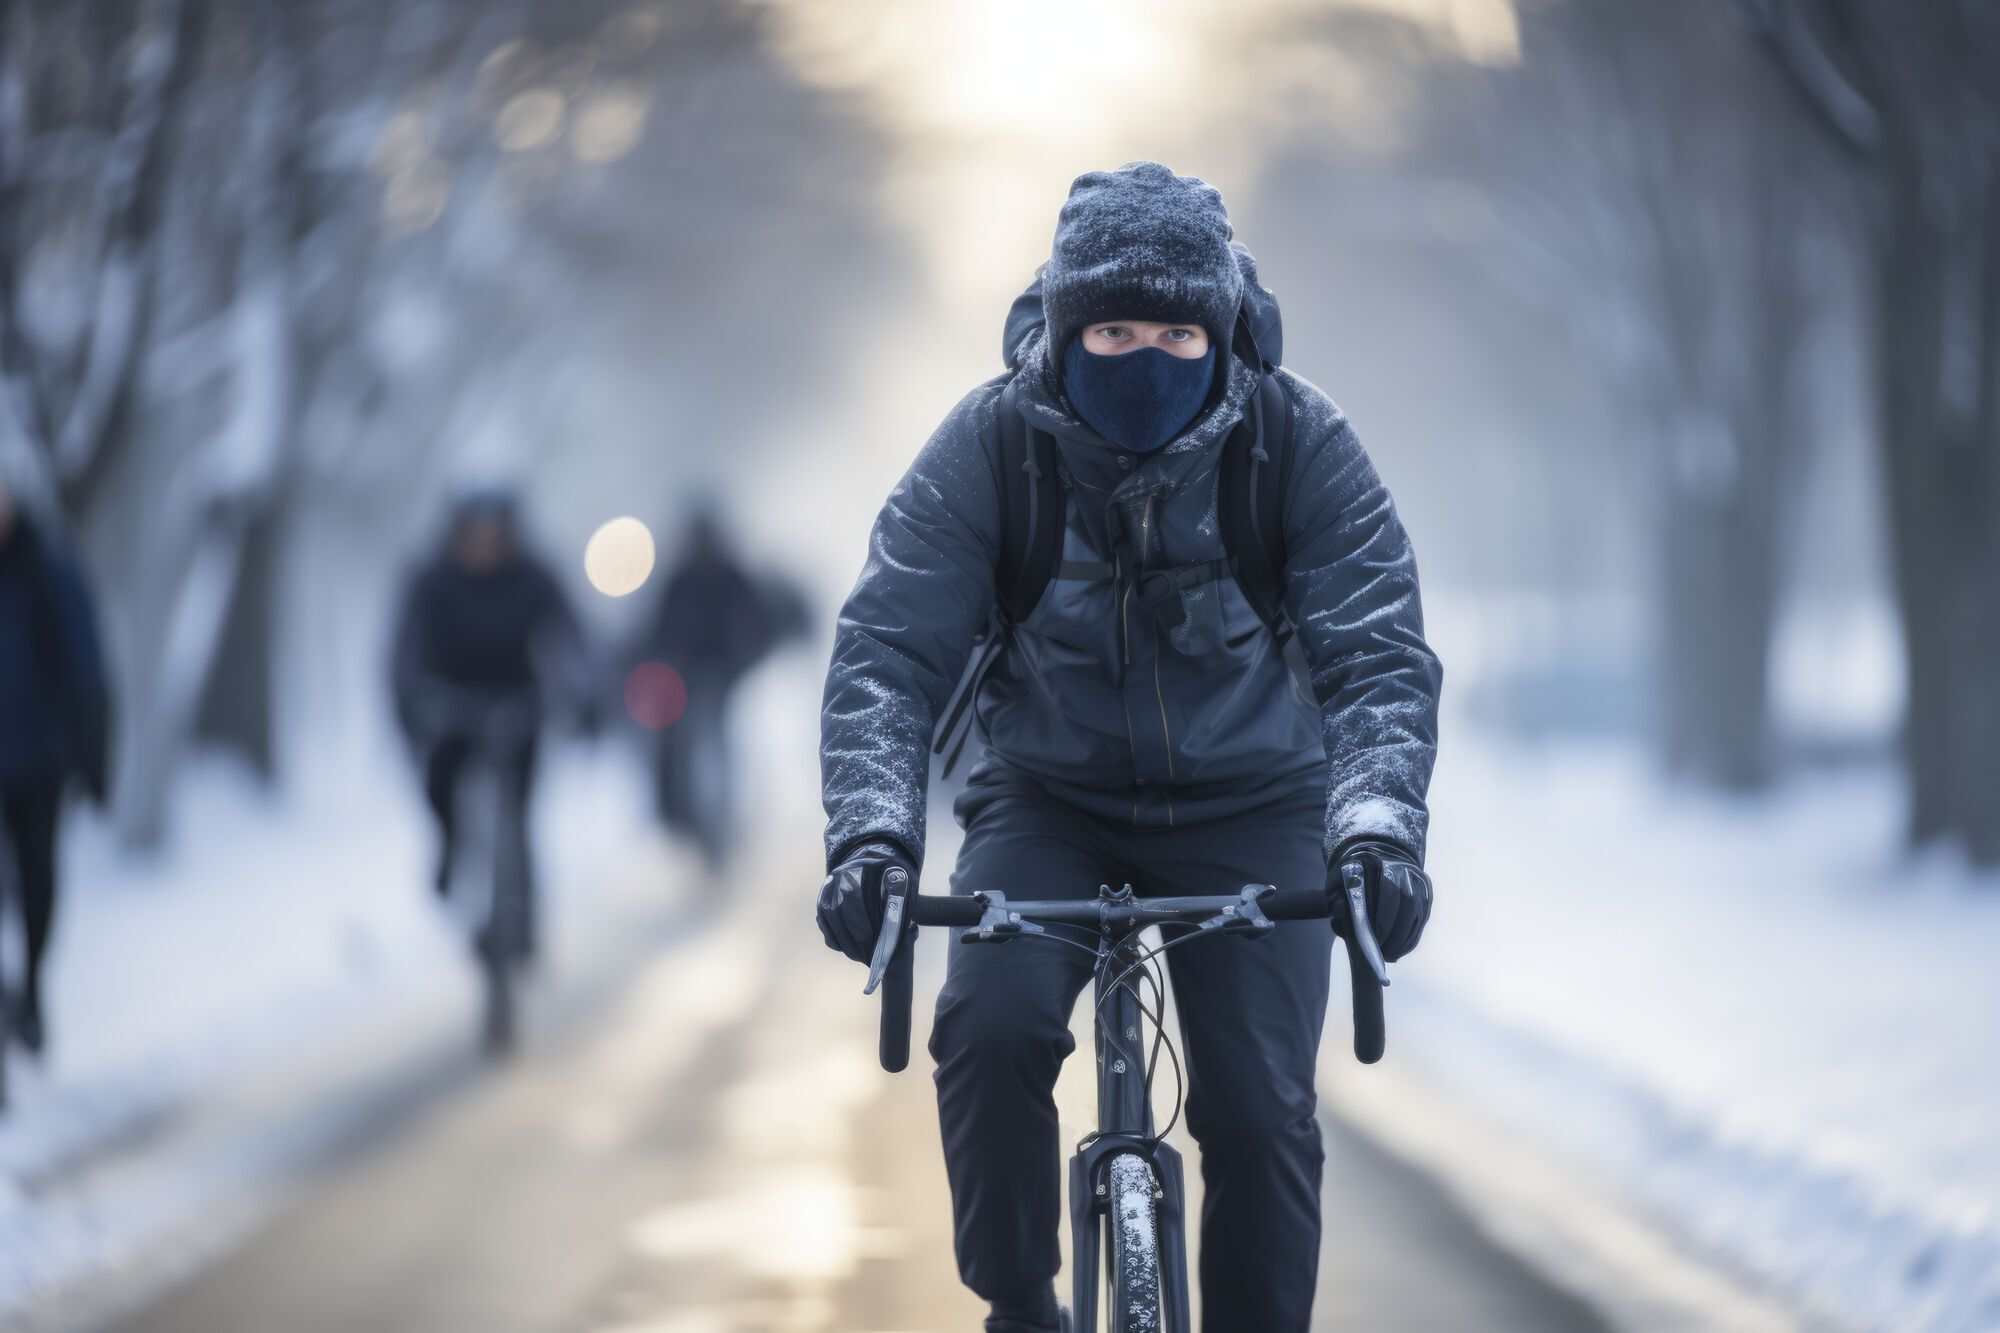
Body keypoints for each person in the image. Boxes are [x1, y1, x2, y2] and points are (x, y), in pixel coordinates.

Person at [815, 163, 1442, 1331]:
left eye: (1171, 329)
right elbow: (885, 658)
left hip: (1253, 800)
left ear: (1222, 328)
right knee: (988, 1029)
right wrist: (871, 833)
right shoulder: (990, 447)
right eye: (1109, 328)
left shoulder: (1297, 442)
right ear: (1062, 329)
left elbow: (1376, 656)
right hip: (1047, 800)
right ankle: (1017, 1302)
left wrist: (1373, 825)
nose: (1143, 356)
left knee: (1259, 1111)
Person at [389, 489, 594, 951]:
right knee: (440, 791)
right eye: (473, 533)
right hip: (453, 711)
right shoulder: (432, 582)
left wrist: (582, 695)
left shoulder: (534, 579)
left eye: (492, 532)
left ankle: (522, 918)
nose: (482, 544)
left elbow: (572, 636)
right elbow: (404, 650)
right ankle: (450, 857)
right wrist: (410, 701)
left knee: (520, 815)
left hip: (519, 709)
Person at [0, 476, 111, 1058]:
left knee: (38, 884)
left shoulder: (49, 572)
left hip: (39, 762)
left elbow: (86, 671)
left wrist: (94, 762)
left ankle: (32, 986)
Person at [637, 505, 807, 866]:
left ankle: (720, 823)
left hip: (722, 678)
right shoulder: (687, 579)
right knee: (692, 749)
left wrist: (743, 658)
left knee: (718, 748)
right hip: (692, 681)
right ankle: (700, 822)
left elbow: (757, 621)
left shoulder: (720, 577)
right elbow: (658, 633)